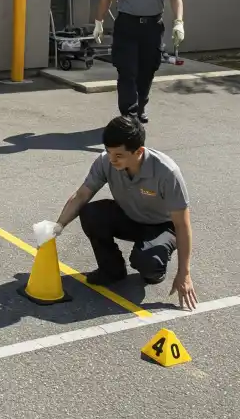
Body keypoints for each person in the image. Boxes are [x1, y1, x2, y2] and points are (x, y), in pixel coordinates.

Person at [50, 115, 198, 310]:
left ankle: (154, 268)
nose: (111, 159)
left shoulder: (167, 172)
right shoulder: (106, 161)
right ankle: (112, 270)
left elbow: (182, 224)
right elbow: (81, 195)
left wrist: (184, 274)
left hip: (162, 226)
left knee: (148, 263)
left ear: (139, 151)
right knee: (90, 212)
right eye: (108, 152)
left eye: (118, 155)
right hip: (129, 216)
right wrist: (57, 227)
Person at [93, 0, 185, 123]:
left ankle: (140, 107)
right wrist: (98, 22)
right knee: (127, 70)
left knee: (147, 69)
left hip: (152, 27)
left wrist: (179, 22)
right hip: (127, 25)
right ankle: (129, 114)